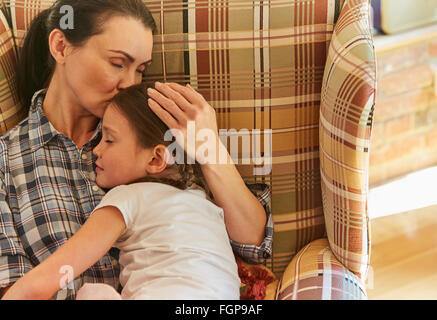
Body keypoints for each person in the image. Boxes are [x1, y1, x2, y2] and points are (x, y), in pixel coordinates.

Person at [0, 0, 272, 300]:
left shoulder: (153, 128)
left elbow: (253, 244)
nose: (130, 84)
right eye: (118, 63)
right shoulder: (6, 160)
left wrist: (211, 151)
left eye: (140, 69)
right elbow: (12, 288)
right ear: (61, 47)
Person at [2, 84, 241, 300]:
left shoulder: (127, 198)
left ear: (157, 158)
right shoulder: (206, 200)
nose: (96, 150)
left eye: (109, 140)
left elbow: (44, 281)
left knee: (92, 293)